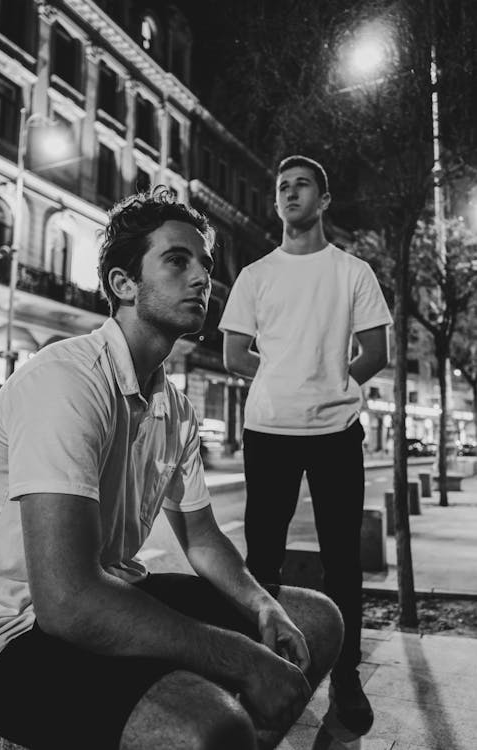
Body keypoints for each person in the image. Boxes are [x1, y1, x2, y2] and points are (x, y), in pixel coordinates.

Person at [0, 190, 344, 750]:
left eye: (205, 264)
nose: (203, 279)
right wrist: (239, 656)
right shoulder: (67, 381)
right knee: (207, 726)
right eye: (178, 261)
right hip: (12, 632)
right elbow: (67, 601)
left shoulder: (173, 405)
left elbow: (200, 538)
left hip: (112, 592)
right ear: (124, 284)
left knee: (315, 623)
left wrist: (262, 607)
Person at [220, 156, 393, 736]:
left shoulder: (352, 272)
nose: (289, 194)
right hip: (268, 432)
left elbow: (375, 352)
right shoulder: (256, 275)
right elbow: (233, 354)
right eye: (282, 188)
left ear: (323, 200)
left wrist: (329, 382)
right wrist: (283, 376)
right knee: (260, 560)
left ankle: (345, 679)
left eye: (301, 186)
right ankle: (258, 674)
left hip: (337, 435)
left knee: (343, 562)